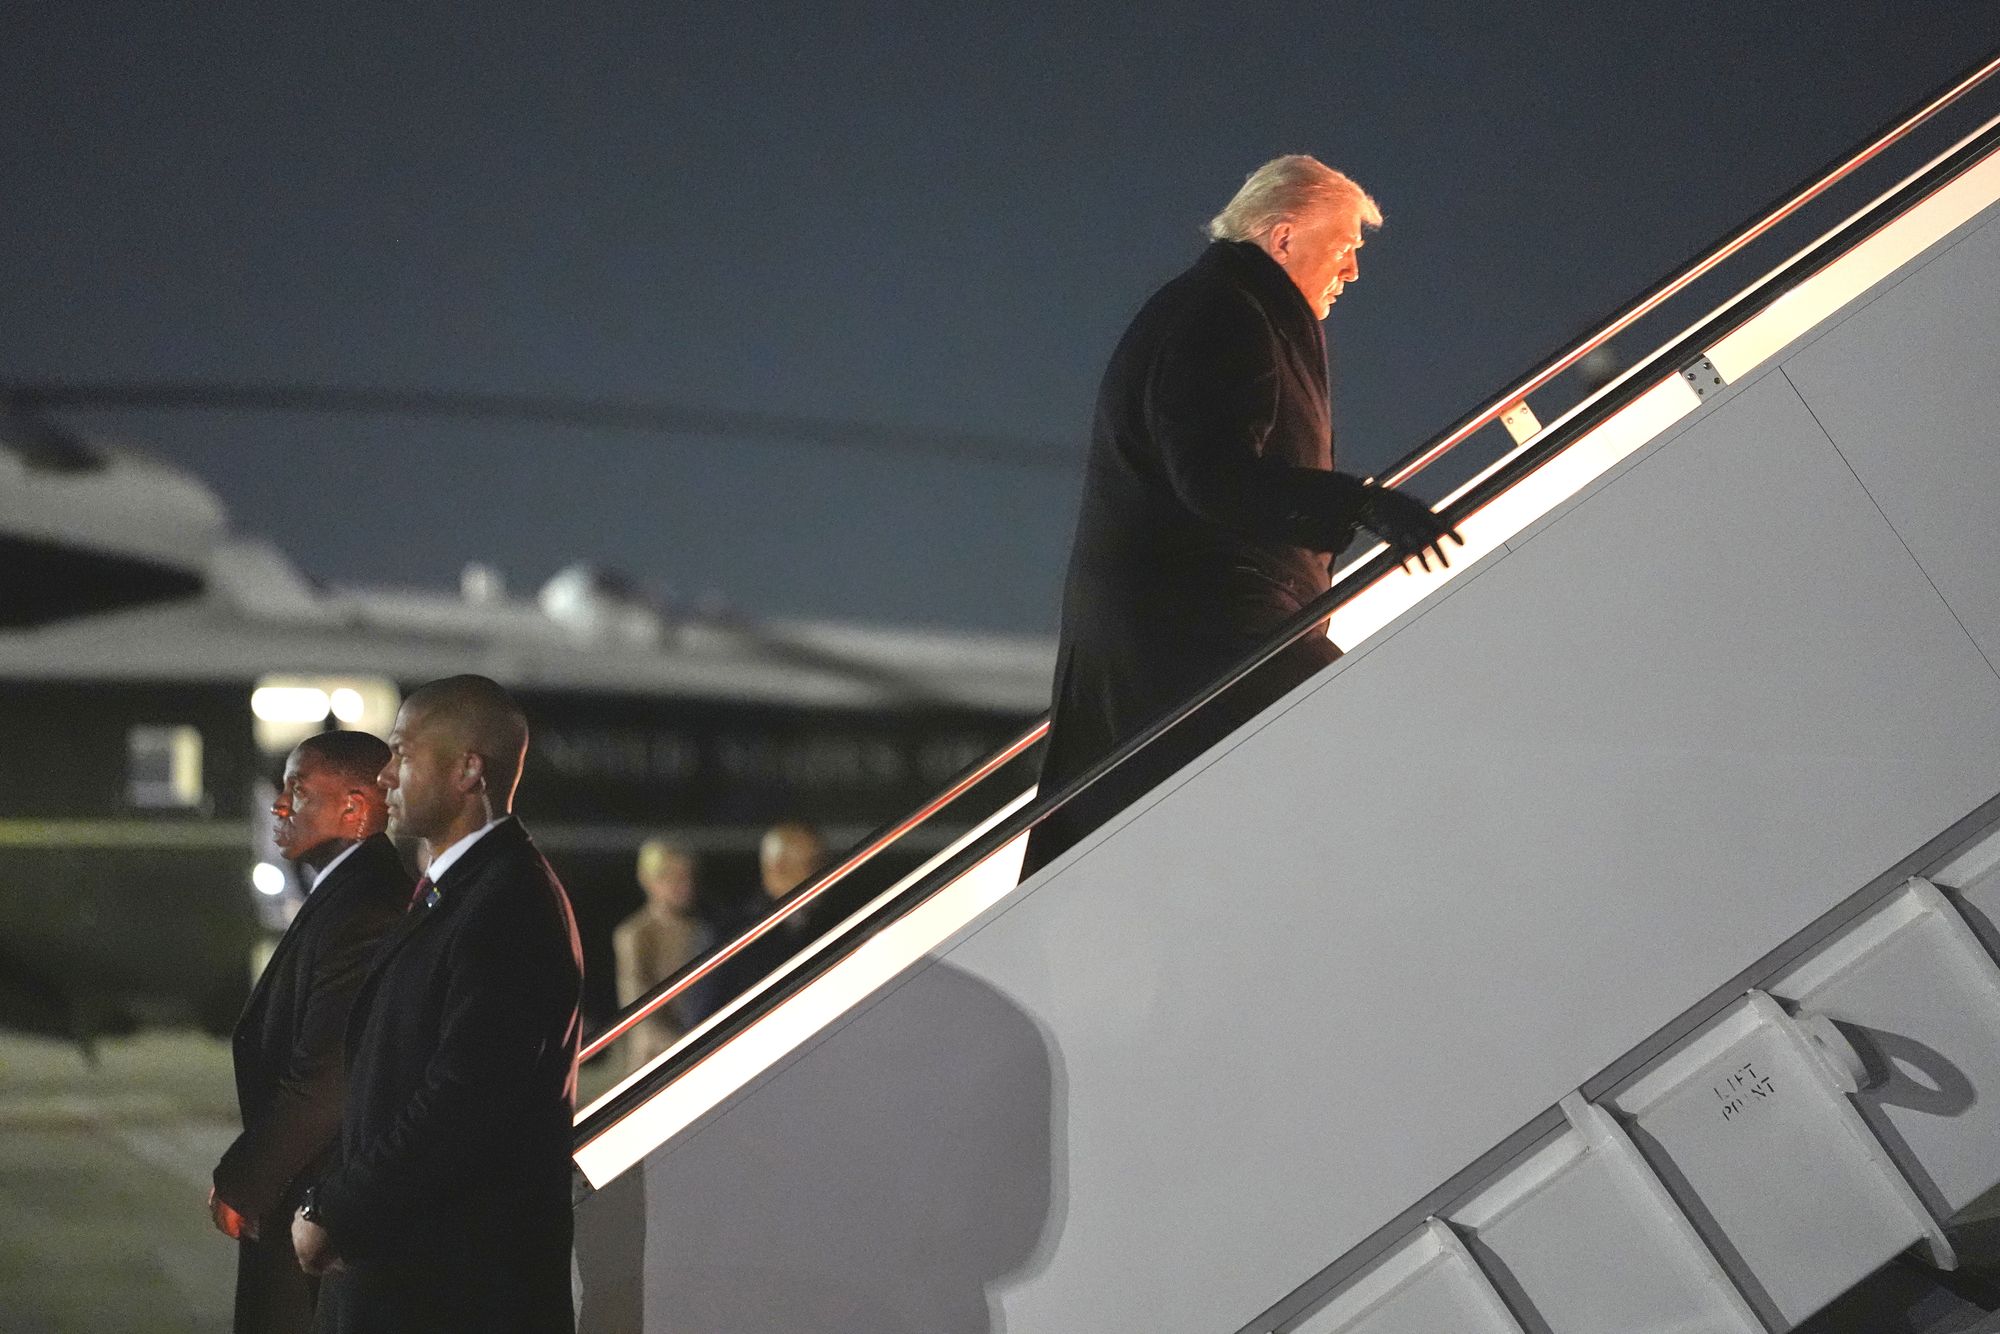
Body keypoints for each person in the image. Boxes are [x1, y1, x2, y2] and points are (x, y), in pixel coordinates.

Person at [1022, 155, 1462, 876]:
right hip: (1201, 635)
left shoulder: (1226, 306)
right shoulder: (1222, 314)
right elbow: (1216, 478)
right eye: (1344, 247)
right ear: (1284, 236)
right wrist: (1365, 504)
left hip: (1185, 634)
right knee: (1371, 754)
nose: (1351, 272)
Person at [292, 674, 583, 1333]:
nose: (385, 776)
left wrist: (340, 1210)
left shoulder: (506, 904)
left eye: (402, 752)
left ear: (468, 771)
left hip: (448, 1296)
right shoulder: (464, 892)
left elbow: (463, 1097)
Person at [210, 730, 409, 1334]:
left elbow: (328, 1075)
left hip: (312, 1203)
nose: (278, 806)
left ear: (353, 807)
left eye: (297, 791)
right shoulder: (346, 895)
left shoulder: (365, 909)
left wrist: (245, 1181)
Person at [611, 837, 715, 1072]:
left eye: (688, 876)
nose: (684, 885)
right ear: (649, 880)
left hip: (701, 1048)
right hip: (657, 1060)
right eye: (672, 877)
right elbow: (638, 1006)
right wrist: (685, 1047)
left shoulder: (706, 928)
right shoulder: (635, 934)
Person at [708, 822, 828, 1009]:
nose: (823, 873)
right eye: (811, 864)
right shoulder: (736, 935)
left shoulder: (830, 920)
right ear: (778, 867)